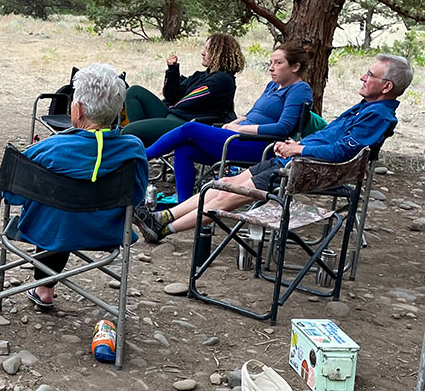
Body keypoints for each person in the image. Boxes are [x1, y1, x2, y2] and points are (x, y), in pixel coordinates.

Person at [135, 54, 414, 243]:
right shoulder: (366, 107)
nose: (363, 78)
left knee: (224, 194)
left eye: (370, 75)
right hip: (293, 159)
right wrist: (299, 145)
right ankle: (160, 217)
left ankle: (162, 227)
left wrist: (299, 150)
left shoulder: (379, 115)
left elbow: (343, 152)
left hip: (305, 168)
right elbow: (328, 135)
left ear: (386, 86)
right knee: (224, 182)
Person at [0, 64, 148, 309]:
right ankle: (46, 289)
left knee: (54, 211)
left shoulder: (51, 148)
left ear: (77, 109)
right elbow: (137, 194)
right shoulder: (133, 149)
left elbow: (12, 191)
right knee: (63, 209)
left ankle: (44, 288)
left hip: (54, 231)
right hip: (106, 231)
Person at [145, 43, 314, 200]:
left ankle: (143, 155)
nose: (271, 68)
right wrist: (237, 122)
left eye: (278, 63)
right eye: (270, 62)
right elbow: (254, 115)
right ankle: (183, 205)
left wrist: (241, 130)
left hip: (262, 146)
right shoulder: (272, 86)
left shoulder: (300, 90)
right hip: (240, 137)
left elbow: (282, 128)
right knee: (185, 150)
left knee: (190, 128)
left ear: (295, 67)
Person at [122, 33, 246, 147]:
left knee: (129, 131)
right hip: (173, 116)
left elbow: (188, 101)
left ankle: (140, 144)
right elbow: (173, 97)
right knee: (134, 92)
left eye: (207, 50)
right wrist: (172, 70)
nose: (202, 53)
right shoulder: (201, 76)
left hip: (186, 124)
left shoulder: (222, 80)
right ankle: (143, 143)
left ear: (219, 54)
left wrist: (170, 104)